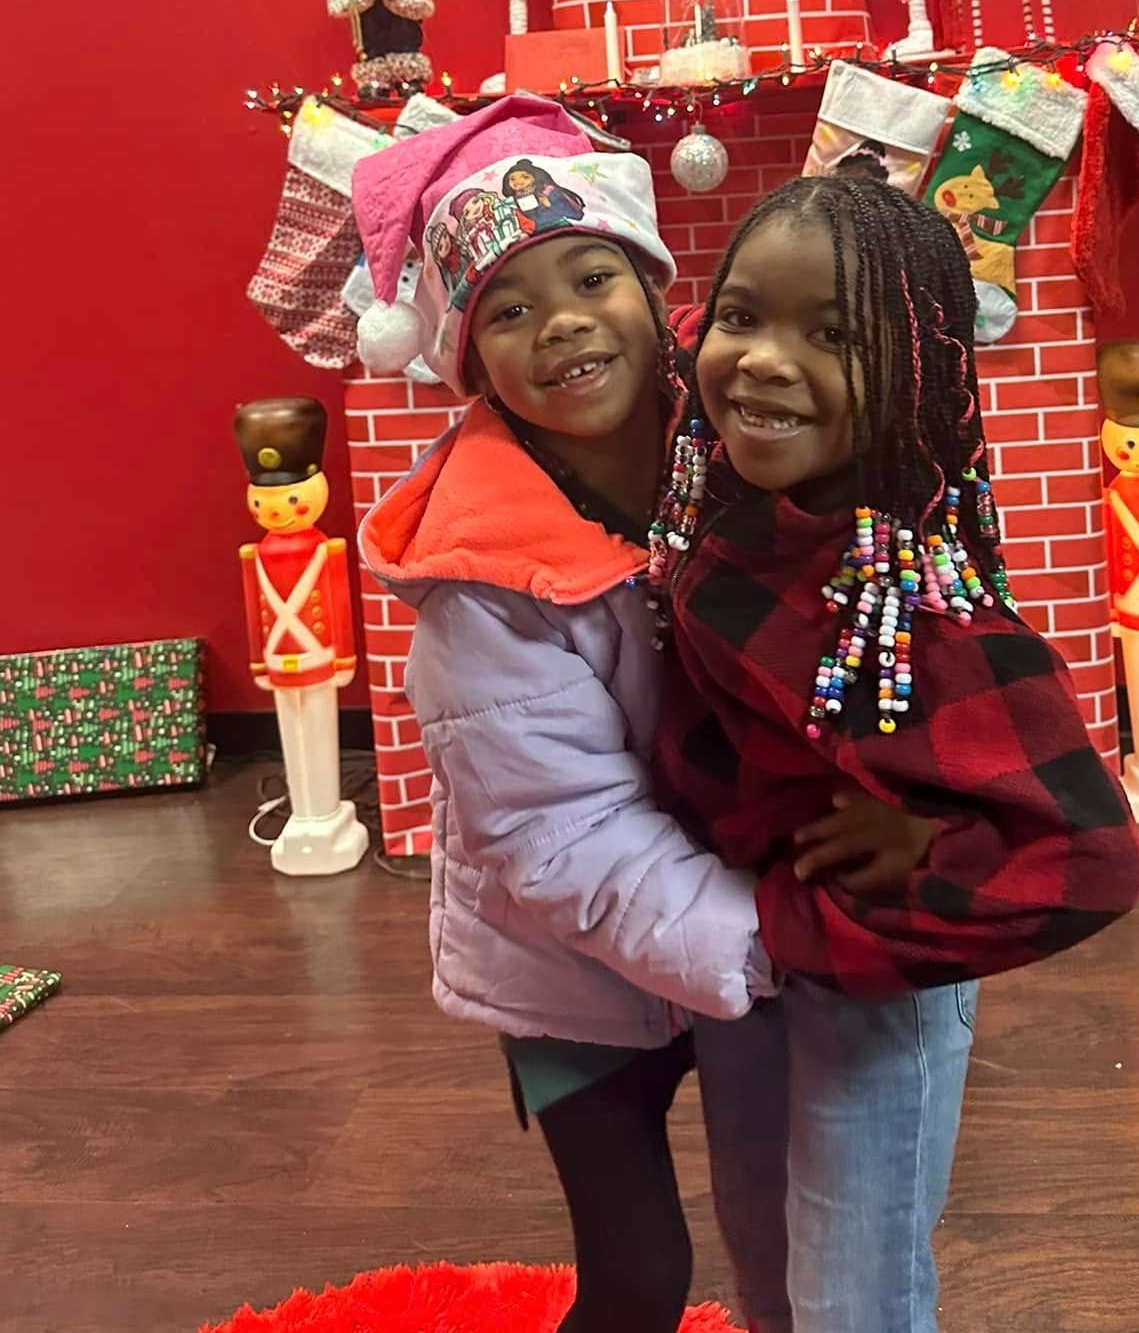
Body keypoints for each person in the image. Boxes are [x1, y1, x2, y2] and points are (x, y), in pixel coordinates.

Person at [350, 98, 929, 1333]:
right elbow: (561, 838)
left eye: (591, 276)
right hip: (570, 971)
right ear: (470, 361)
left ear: (654, 287)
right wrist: (774, 936)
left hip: (738, 923)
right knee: (636, 1271)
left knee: (784, 1228)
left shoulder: (738, 438)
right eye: (507, 309)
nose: (561, 321)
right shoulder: (479, 585)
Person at [648, 172, 1139, 1333]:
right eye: (741, 316)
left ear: (916, 373)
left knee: (852, 1297)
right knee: (764, 1261)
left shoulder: (920, 607)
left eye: (833, 336)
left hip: (871, 980)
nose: (764, 359)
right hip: (746, 954)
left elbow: (1092, 857)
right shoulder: (719, 496)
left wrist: (935, 839)